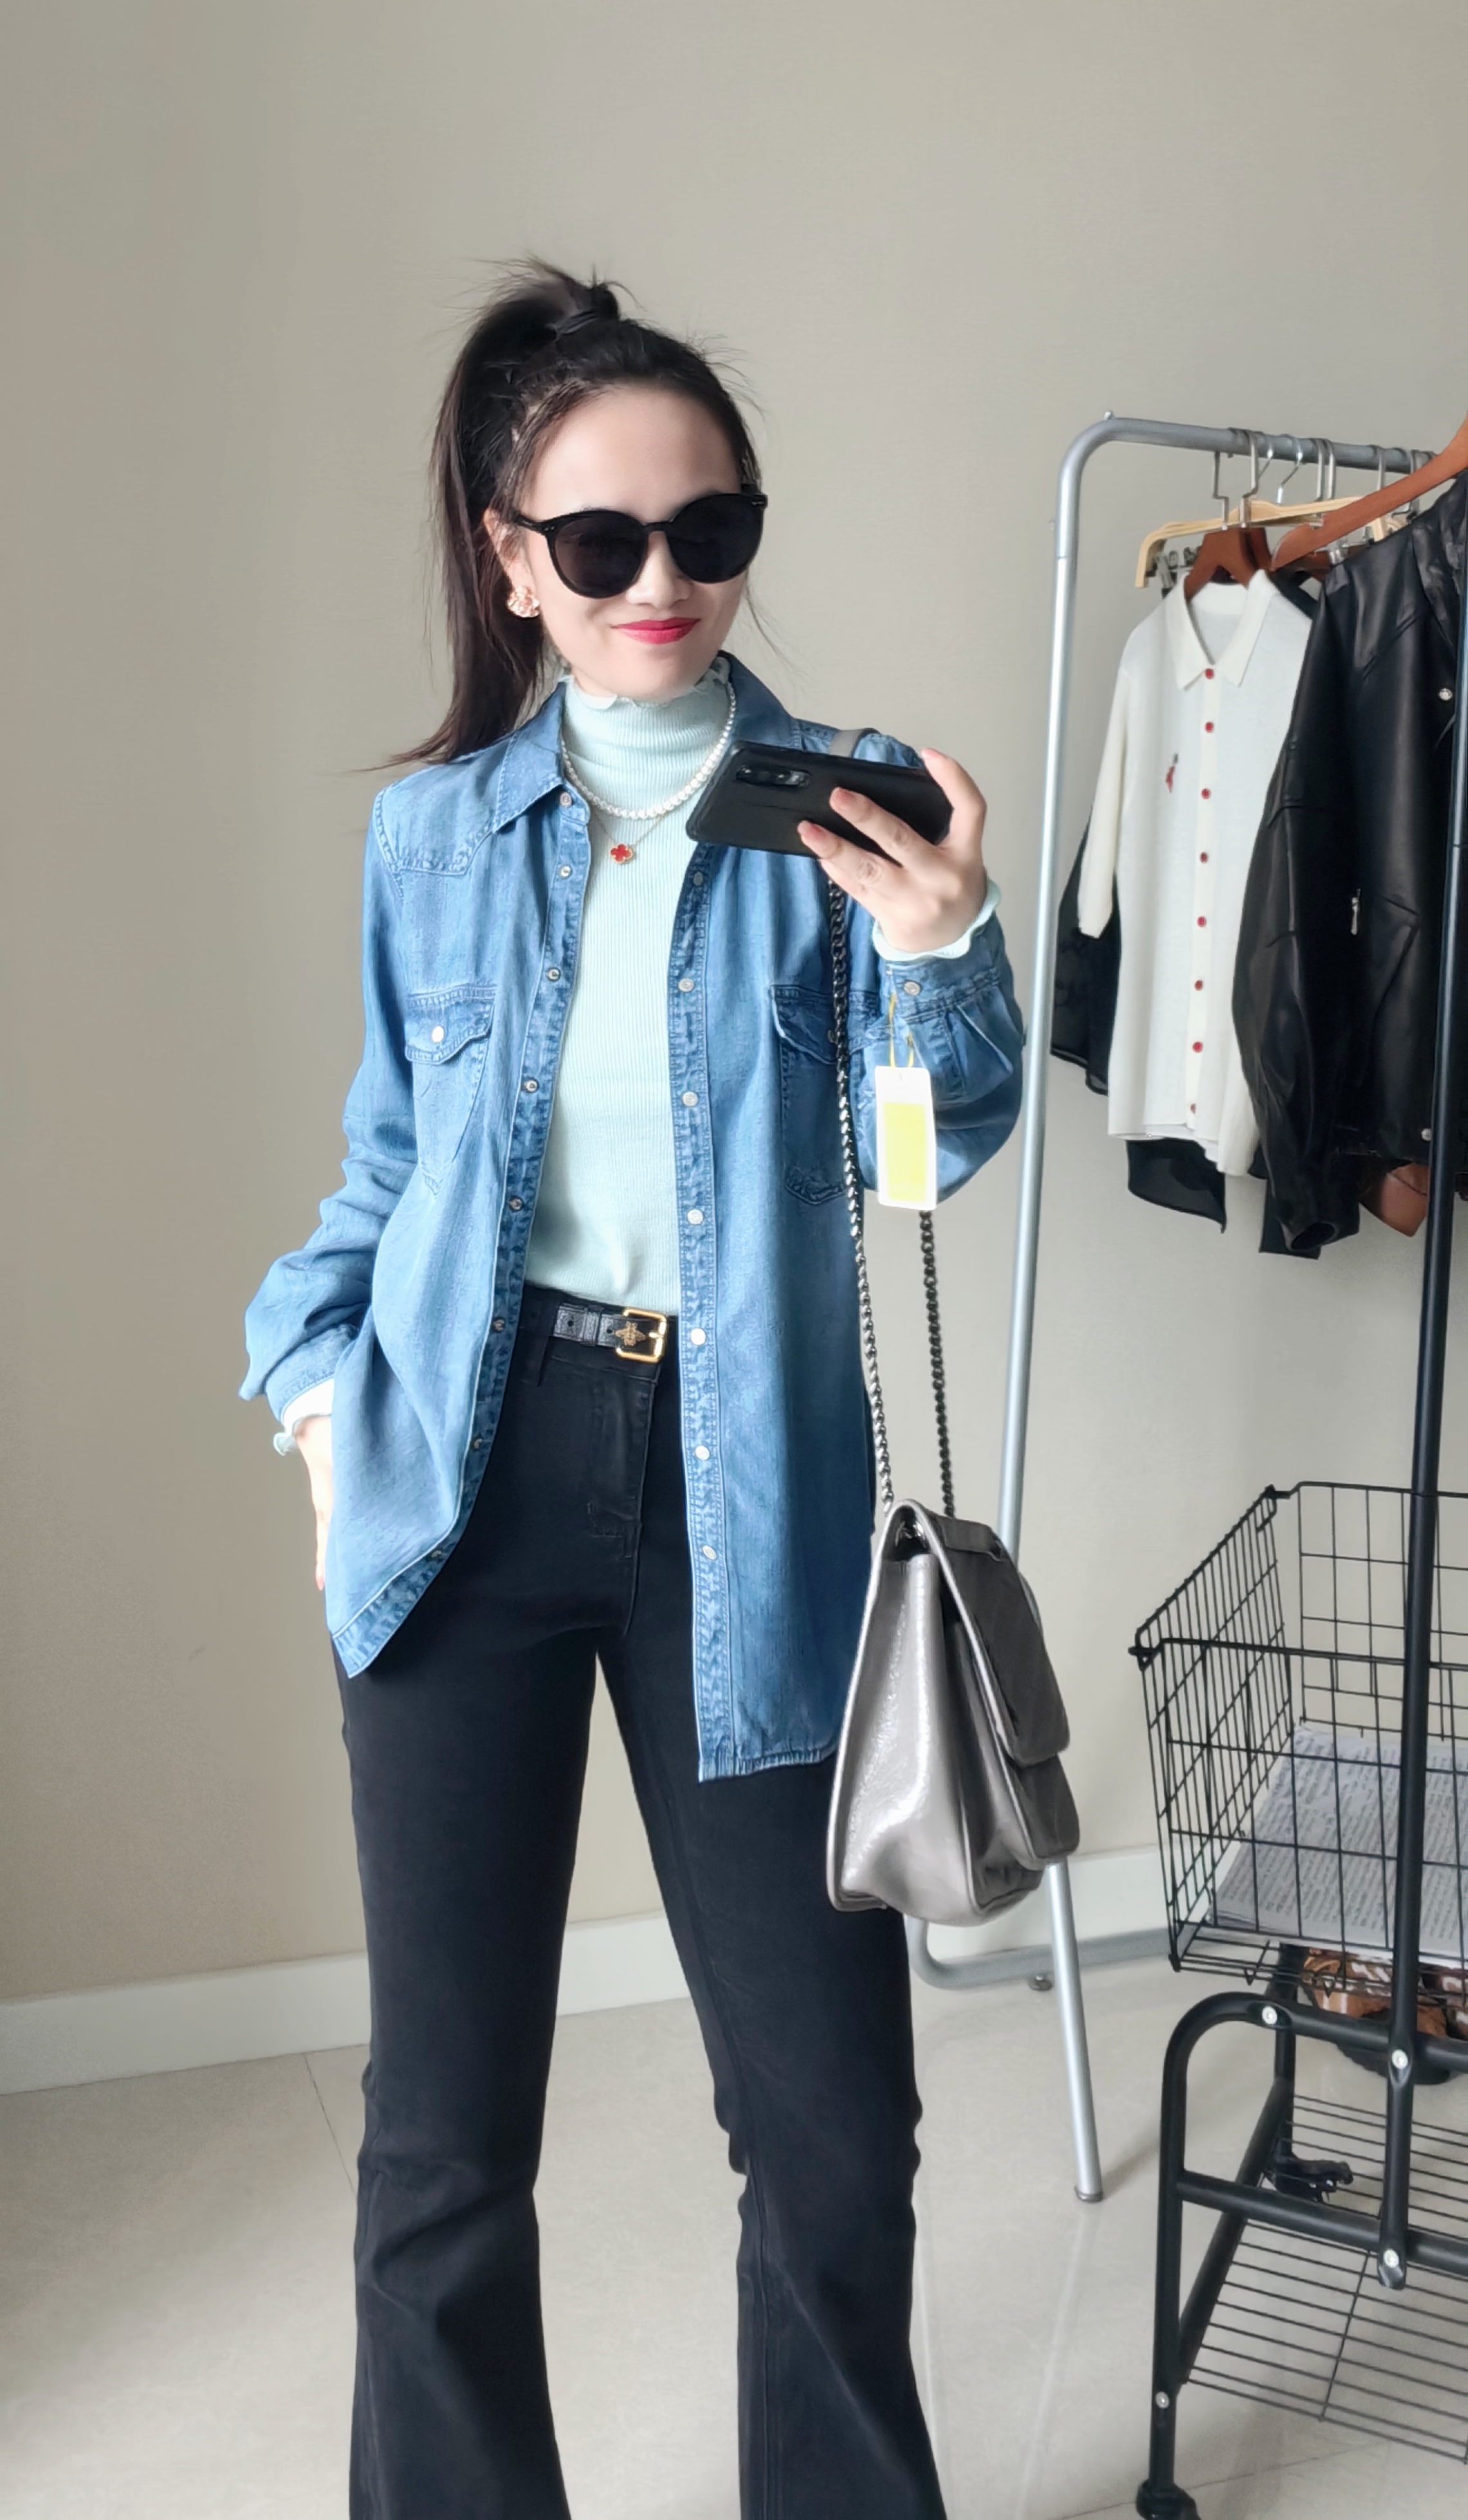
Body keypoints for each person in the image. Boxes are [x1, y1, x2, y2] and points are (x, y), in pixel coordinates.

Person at [241, 260, 1024, 2520]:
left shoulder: (847, 810)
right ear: (512, 560)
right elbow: (389, 1167)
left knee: (829, 2122)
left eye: (708, 528)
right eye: (599, 541)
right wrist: (316, 1399)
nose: (659, 580)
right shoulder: (434, 837)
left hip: (742, 1491)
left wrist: (937, 952)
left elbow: (918, 1163)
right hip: (459, 1475)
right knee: (442, 2140)